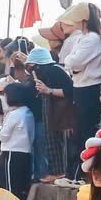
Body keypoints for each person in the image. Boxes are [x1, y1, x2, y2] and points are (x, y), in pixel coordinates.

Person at [62, 3, 101, 180]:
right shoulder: (84, 38)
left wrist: (71, 62)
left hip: (90, 88)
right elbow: (71, 61)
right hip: (81, 87)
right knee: (79, 133)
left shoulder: (92, 39)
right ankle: (76, 174)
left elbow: (74, 62)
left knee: (85, 133)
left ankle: (81, 174)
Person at [28, 48, 74, 182]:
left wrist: (49, 90)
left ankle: (60, 172)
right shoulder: (45, 72)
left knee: (57, 141)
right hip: (50, 108)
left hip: (60, 110)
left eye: (33, 66)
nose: (32, 70)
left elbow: (70, 91)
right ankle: (55, 171)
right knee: (50, 140)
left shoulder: (54, 70)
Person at [0, 82, 35, 200]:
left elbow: (4, 136)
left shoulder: (14, 114)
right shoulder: (28, 112)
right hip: (25, 153)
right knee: (20, 188)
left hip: (11, 153)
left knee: (10, 189)